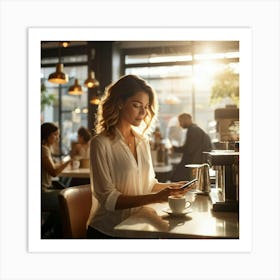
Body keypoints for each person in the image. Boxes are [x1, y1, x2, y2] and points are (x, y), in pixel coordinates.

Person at [86, 74, 191, 238]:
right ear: (120, 103)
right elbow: (109, 199)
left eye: (146, 106)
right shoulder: (100, 143)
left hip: (137, 226)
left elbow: (148, 185)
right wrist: (156, 198)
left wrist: (173, 188)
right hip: (107, 232)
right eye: (136, 105)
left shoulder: (142, 141)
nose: (143, 112)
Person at [41, 122, 72, 238]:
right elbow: (53, 172)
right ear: (46, 135)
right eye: (55, 135)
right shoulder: (43, 149)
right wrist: (69, 160)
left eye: (58, 135)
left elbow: (52, 168)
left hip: (45, 189)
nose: (57, 138)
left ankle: (47, 231)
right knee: (67, 200)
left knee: (65, 195)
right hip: (42, 193)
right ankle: (53, 234)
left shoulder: (45, 149)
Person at [171, 113, 213, 181]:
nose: (180, 124)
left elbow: (189, 149)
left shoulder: (193, 130)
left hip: (194, 162)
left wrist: (175, 149)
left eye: (180, 121)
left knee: (177, 178)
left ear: (187, 120)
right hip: (198, 161)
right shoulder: (196, 129)